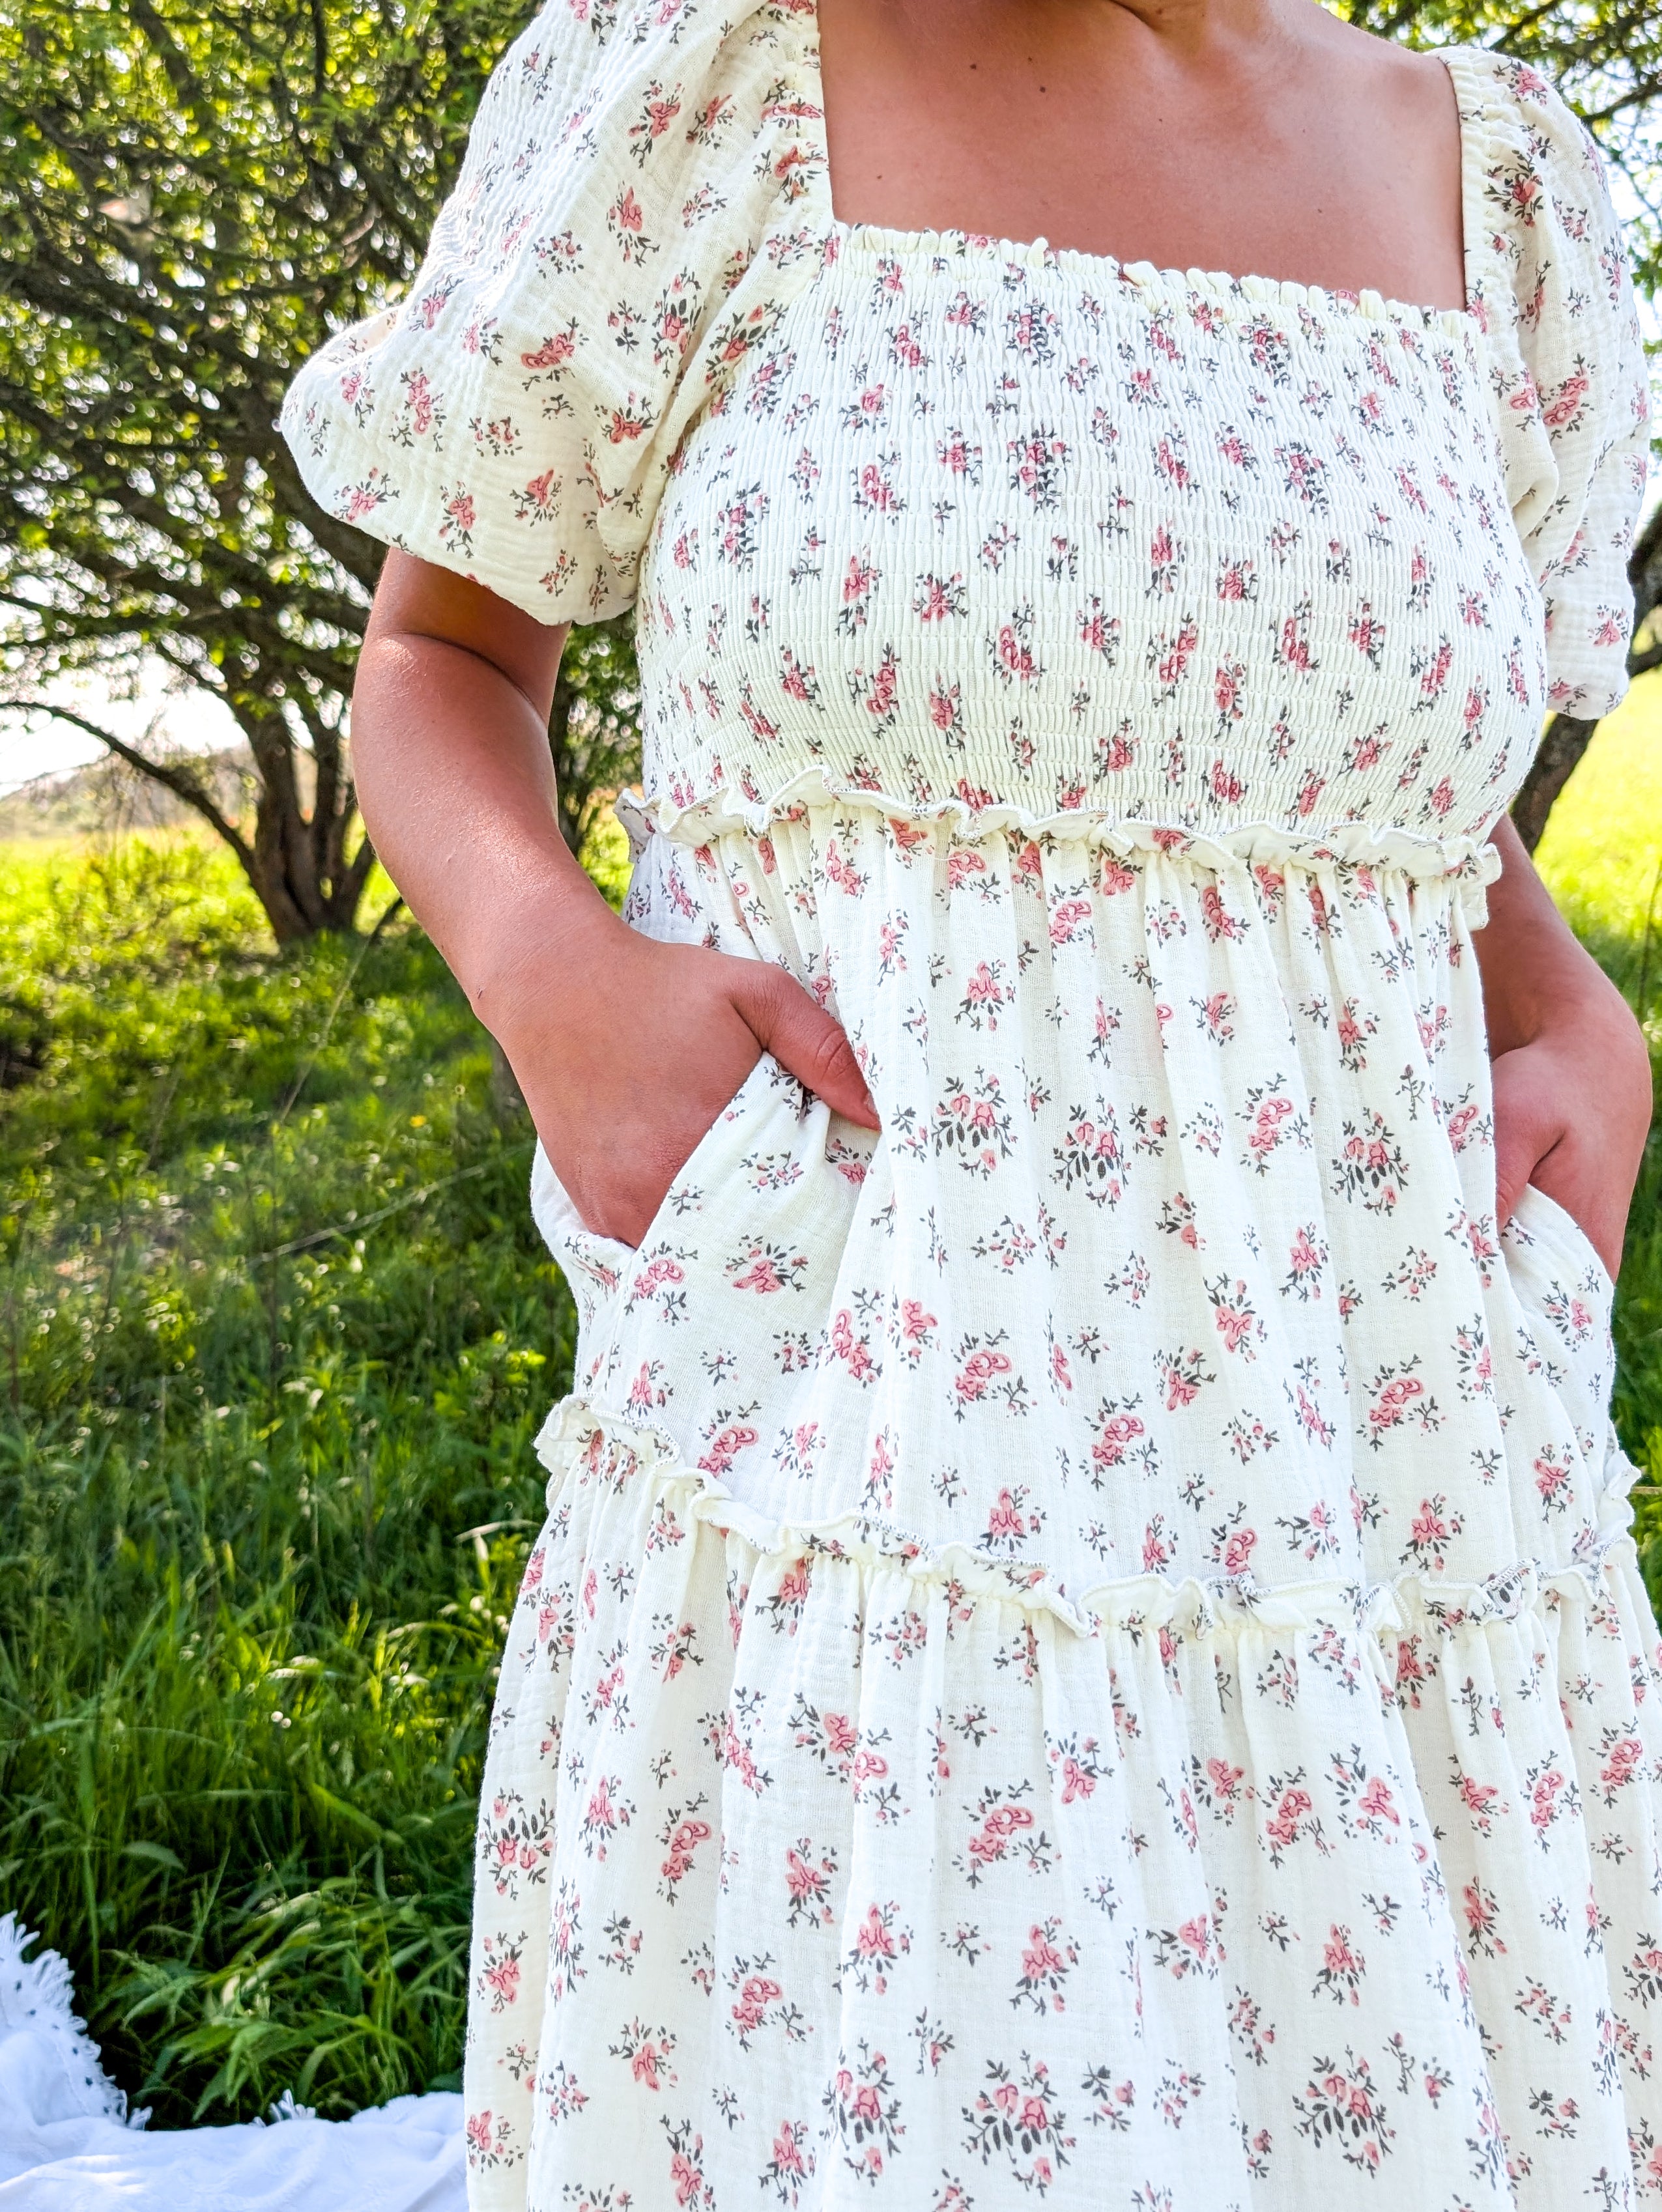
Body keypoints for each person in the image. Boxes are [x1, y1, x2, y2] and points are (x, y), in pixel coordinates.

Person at [281, 0, 1657, 2200]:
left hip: (1371, 1472)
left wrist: (1574, 1007)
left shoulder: (1488, 173)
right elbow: (448, 660)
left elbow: (1374, 758)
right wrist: (558, 982)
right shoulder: (713, 75)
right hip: (867, 1434)